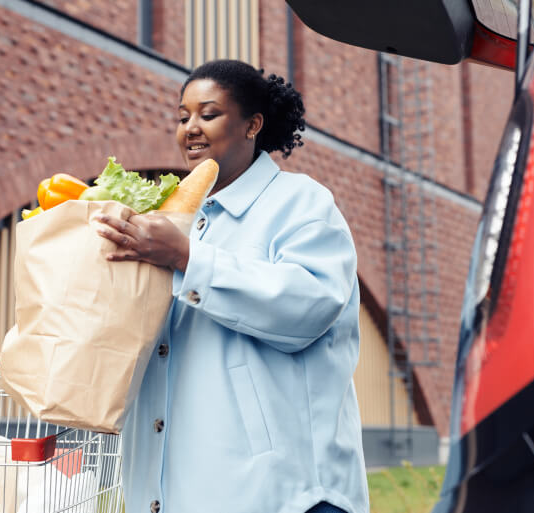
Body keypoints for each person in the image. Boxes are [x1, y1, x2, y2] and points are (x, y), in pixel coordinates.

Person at [95, 59, 370, 513]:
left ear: (252, 125)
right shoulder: (177, 220)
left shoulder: (300, 203)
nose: (191, 129)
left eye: (208, 114)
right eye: (182, 117)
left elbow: (310, 305)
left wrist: (186, 257)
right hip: (185, 494)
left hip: (288, 496)